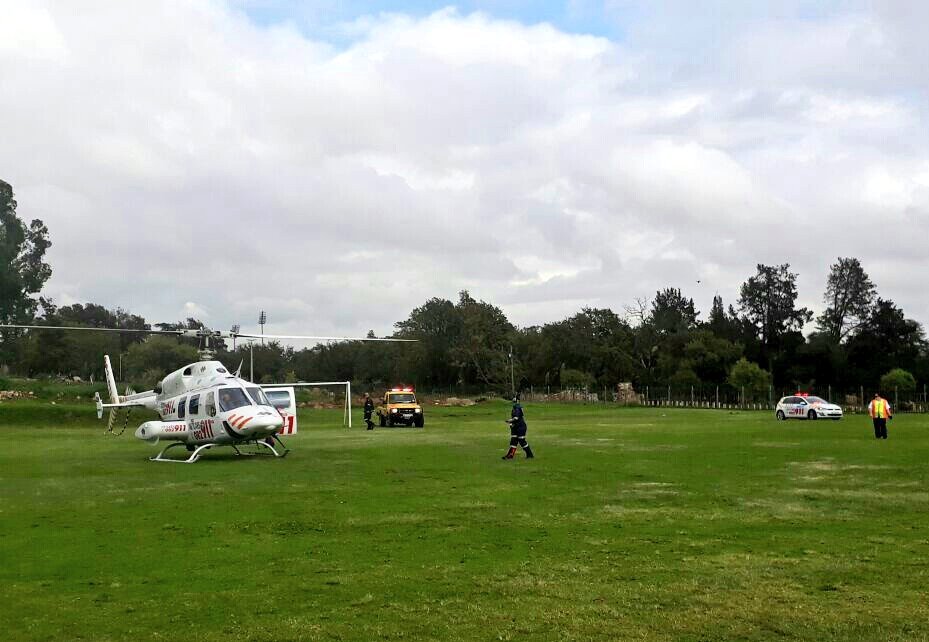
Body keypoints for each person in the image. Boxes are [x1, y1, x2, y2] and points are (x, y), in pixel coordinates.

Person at [502, 395, 534, 459]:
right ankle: (510, 455)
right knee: (513, 440)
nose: (512, 400)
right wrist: (511, 424)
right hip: (515, 426)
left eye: (514, 398)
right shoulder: (515, 407)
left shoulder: (517, 407)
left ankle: (529, 454)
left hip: (520, 427)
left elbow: (516, 418)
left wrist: (509, 421)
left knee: (521, 441)